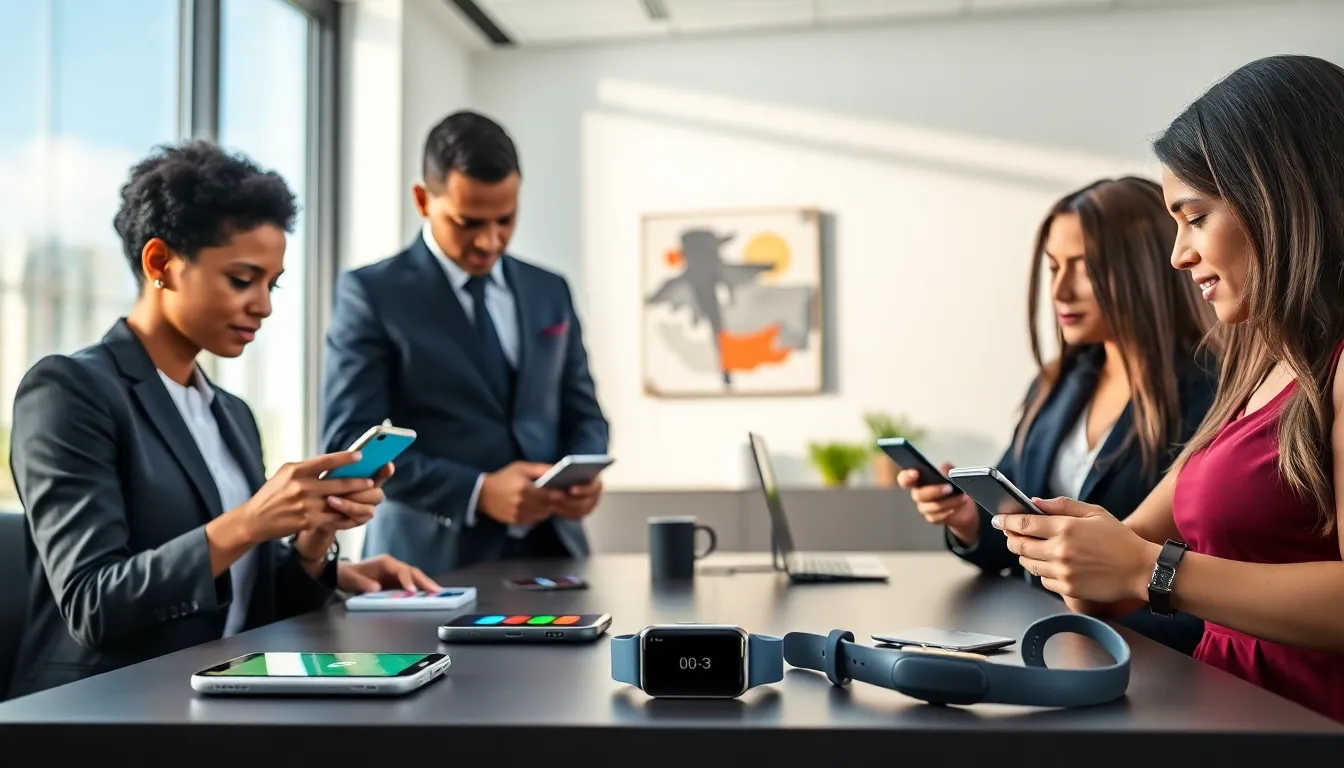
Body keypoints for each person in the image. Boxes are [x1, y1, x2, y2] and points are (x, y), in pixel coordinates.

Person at [7, 141, 437, 699]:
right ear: (160, 263)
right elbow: (94, 603)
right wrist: (252, 520)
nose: (264, 305)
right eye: (242, 279)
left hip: (227, 695)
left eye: (272, 283)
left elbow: (256, 603)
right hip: (110, 710)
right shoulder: (70, 391)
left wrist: (313, 538)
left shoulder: (230, 414)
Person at [993, 55, 1344, 723]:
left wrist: (1146, 571)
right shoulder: (1255, 365)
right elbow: (1127, 551)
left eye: (1196, 217)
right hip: (1225, 712)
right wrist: (1085, 559)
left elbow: (1146, 565)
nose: (1179, 253)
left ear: (1281, 200)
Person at [897, 176, 1218, 655]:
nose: (1060, 290)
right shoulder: (1057, 387)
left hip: (1149, 654)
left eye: (1083, 267)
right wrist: (968, 518)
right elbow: (1015, 536)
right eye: (1052, 268)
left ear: (1145, 269)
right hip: (1044, 640)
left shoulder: (1213, 391)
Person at [321, 110, 609, 576]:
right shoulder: (372, 294)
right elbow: (348, 445)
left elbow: (585, 413)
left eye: (505, 220)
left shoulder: (549, 290)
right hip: (428, 570)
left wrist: (583, 475)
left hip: (557, 557)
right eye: (468, 222)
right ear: (422, 199)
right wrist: (477, 491)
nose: (489, 241)